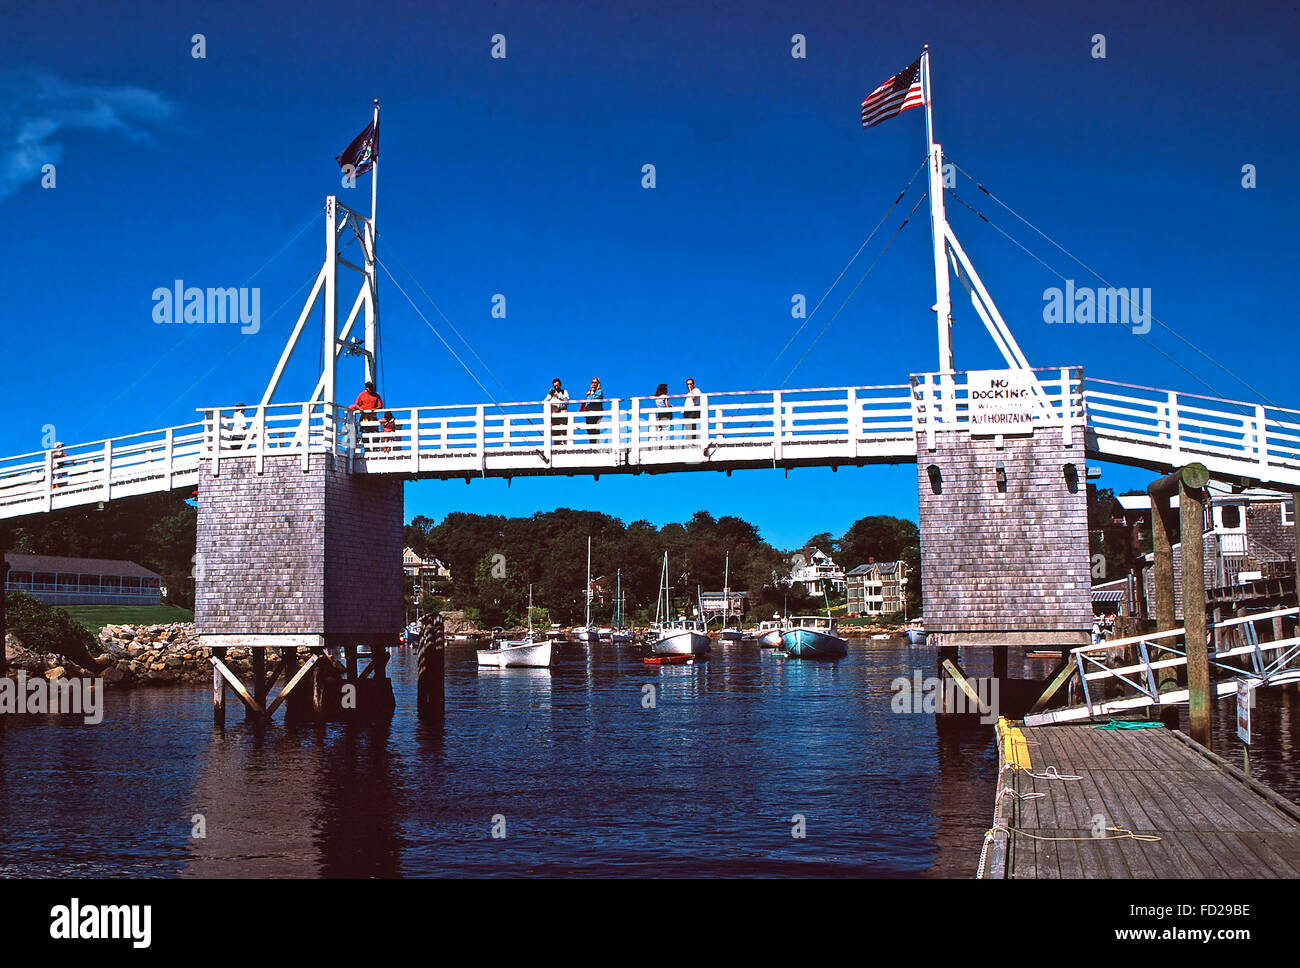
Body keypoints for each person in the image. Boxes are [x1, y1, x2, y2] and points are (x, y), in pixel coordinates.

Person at [349, 381, 383, 450]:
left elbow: (380, 405)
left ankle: (376, 449)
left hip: (373, 417)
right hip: (364, 418)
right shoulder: (362, 395)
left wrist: (375, 409)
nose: (370, 390)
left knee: (375, 434)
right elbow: (357, 405)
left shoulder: (376, 395)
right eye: (369, 388)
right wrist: (360, 409)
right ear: (366, 388)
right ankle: (367, 449)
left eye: (371, 388)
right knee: (364, 434)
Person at [546, 378, 570, 445]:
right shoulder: (551, 394)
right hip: (554, 414)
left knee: (563, 430)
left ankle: (563, 446)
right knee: (554, 431)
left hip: (562, 412)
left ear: (560, 385)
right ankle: (556, 446)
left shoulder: (564, 391)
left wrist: (558, 395)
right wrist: (550, 395)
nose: (556, 387)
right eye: (555, 386)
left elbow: (567, 400)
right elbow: (545, 402)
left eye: (557, 385)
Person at [582, 377, 604, 442]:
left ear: (598, 384)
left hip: (596, 415)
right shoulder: (589, 394)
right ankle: (592, 447)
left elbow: (595, 399)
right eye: (592, 382)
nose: (593, 384)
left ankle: (596, 447)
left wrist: (591, 393)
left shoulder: (599, 392)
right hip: (589, 415)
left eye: (595, 382)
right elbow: (587, 403)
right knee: (589, 431)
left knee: (596, 430)